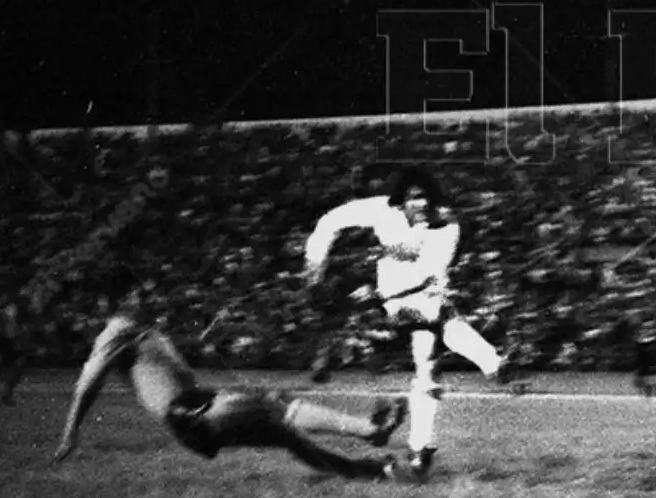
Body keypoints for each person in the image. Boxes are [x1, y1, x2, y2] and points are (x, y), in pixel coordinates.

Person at [302, 168, 513, 481]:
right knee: (435, 333)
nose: (421, 204)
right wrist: (314, 268)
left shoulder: (445, 224)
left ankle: (420, 452)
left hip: (427, 293)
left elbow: (435, 266)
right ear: (401, 200)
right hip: (397, 299)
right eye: (414, 197)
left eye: (426, 198)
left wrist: (411, 246)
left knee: (427, 368)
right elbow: (330, 222)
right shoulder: (381, 209)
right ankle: (492, 363)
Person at [53, 291, 406, 479]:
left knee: (287, 435)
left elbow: (169, 365)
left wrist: (207, 335)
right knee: (273, 404)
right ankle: (370, 432)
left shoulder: (144, 330)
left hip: (198, 407)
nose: (150, 298)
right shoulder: (115, 333)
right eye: (140, 294)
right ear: (120, 301)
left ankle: (374, 468)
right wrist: (71, 432)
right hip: (190, 415)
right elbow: (87, 384)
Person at [0, 289, 26, 406]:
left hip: (10, 341)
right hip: (3, 341)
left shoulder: (11, 309)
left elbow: (15, 328)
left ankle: (4, 395)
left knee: (15, 368)